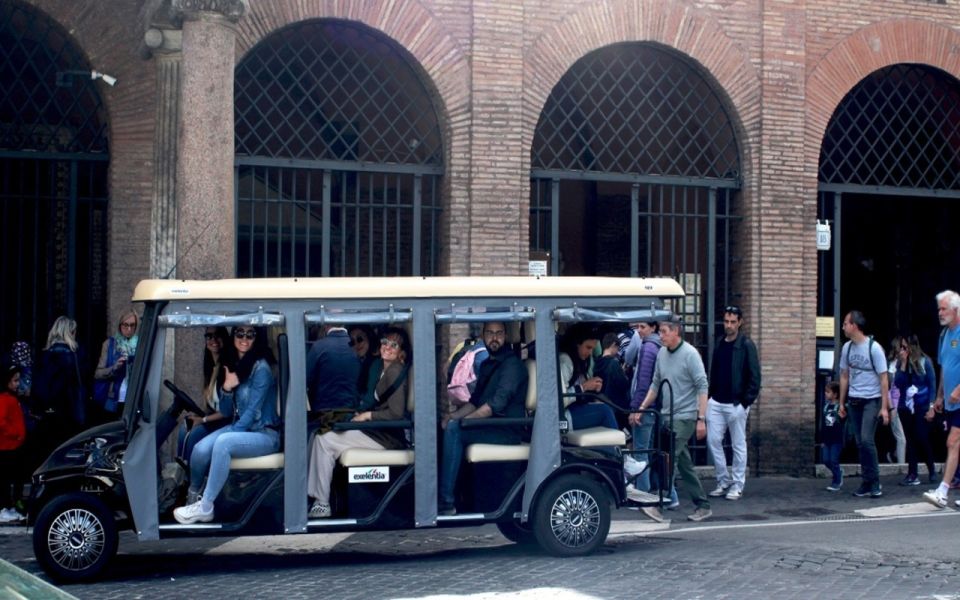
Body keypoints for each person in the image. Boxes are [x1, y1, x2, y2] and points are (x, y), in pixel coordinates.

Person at [174, 326, 279, 524]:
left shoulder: (262, 368)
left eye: (250, 334)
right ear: (233, 336)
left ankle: (205, 506)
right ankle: (192, 498)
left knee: (223, 442)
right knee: (199, 449)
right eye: (240, 334)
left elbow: (252, 413)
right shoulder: (234, 364)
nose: (244, 339)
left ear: (257, 338)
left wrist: (232, 430)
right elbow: (227, 410)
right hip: (242, 428)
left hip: (264, 433)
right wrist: (226, 388)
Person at [307, 327, 410, 518]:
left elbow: (396, 413)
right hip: (376, 432)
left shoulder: (394, 371)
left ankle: (321, 503)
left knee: (324, 440)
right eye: (385, 342)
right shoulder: (379, 367)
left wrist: (367, 416)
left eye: (394, 345)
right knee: (321, 436)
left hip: (387, 437)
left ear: (401, 352)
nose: (387, 347)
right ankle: (317, 499)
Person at [439, 321, 527, 515]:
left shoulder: (512, 365)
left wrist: (464, 422)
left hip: (506, 430)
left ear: (506, 335)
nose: (494, 338)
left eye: (499, 333)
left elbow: (493, 406)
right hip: (491, 425)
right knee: (444, 427)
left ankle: (445, 502)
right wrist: (452, 416)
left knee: (455, 430)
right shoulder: (489, 363)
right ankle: (455, 493)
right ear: (482, 336)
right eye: (490, 333)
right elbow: (475, 401)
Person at [633, 315, 712, 522]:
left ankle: (660, 503)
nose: (661, 336)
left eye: (664, 332)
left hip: (685, 417)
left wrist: (701, 418)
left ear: (676, 331)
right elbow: (655, 384)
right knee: (684, 463)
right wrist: (642, 408)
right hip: (668, 416)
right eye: (660, 332)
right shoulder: (661, 354)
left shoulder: (690, 354)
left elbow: (702, 386)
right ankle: (702, 505)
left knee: (669, 459)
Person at [706, 305, 761, 501]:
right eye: (726, 321)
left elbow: (755, 377)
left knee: (738, 445)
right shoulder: (720, 342)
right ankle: (723, 481)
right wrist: (710, 398)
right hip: (717, 402)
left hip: (736, 403)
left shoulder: (746, 345)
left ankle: (737, 484)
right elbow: (714, 371)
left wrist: (745, 403)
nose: (728, 325)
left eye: (732, 322)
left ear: (740, 322)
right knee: (713, 441)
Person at [837, 310, 890, 498]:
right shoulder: (847, 348)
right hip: (854, 400)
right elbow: (844, 375)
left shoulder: (874, 348)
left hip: (872, 399)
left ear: (855, 326)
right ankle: (866, 482)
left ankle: (875, 482)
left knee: (867, 440)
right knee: (860, 443)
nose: (843, 327)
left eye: (845, 323)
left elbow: (884, 378)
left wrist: (884, 407)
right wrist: (841, 403)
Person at [922, 290, 960, 509]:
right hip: (952, 402)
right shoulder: (944, 335)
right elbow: (945, 367)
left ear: (955, 310)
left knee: (952, 442)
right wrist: (939, 395)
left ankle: (942, 492)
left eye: (943, 308)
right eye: (939, 308)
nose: (940, 312)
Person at [32, 316, 89, 452]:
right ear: (70, 333)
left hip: (50, 410)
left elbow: (40, 385)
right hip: (70, 410)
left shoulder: (46, 355)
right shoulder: (74, 355)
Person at [179, 326, 233, 462]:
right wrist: (199, 416)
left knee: (195, 434)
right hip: (214, 418)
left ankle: (192, 477)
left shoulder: (228, 367)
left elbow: (228, 410)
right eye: (209, 336)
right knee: (184, 428)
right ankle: (183, 471)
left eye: (218, 335)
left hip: (227, 421)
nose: (213, 340)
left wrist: (202, 420)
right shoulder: (211, 367)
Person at [892, 335, 936, 486]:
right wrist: (903, 364)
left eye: (905, 347)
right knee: (910, 440)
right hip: (905, 406)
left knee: (921, 437)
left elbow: (932, 384)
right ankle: (912, 473)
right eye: (901, 347)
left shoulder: (925, 361)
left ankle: (931, 468)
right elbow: (898, 383)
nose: (903, 350)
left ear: (912, 346)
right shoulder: (900, 362)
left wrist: (931, 406)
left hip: (921, 405)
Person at [558, 324, 619, 432]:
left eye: (592, 348)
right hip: (562, 416)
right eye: (588, 347)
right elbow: (560, 400)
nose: (590, 352)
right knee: (605, 411)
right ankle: (616, 447)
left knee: (606, 406)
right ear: (577, 344)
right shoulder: (565, 361)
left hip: (571, 410)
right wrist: (584, 387)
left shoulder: (579, 361)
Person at [93, 309, 139, 418]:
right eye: (125, 325)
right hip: (114, 398)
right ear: (120, 325)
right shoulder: (110, 344)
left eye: (132, 325)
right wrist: (114, 367)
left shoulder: (140, 344)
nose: (129, 329)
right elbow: (98, 374)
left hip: (134, 399)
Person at [306, 324, 360, 411]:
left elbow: (305, 380)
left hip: (323, 412)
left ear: (325, 325)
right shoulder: (357, 346)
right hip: (351, 410)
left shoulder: (318, 346)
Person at [0, 363, 27, 523]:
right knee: (5, 480)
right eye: (15, 381)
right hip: (7, 446)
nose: (18, 384)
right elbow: (1, 422)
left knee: (12, 478)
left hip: (12, 445)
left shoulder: (11, 398)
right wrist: (15, 434)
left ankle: (9, 508)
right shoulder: (5, 399)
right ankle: (4, 508)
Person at [595, 333, 630, 417]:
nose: (618, 352)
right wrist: (623, 372)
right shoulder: (613, 363)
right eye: (618, 348)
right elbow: (624, 384)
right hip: (615, 406)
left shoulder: (597, 362)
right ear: (614, 345)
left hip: (602, 403)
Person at [349, 325, 380, 411]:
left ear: (369, 337)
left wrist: (354, 414)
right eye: (352, 342)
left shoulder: (376, 364)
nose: (356, 344)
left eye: (359, 339)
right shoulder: (362, 363)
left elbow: (370, 400)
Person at [821, 381, 844, 492]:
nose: (826, 394)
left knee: (834, 460)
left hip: (837, 439)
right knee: (826, 460)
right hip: (827, 439)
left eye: (828, 392)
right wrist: (822, 440)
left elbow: (844, 421)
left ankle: (837, 481)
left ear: (835, 394)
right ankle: (838, 471)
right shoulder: (825, 407)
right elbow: (823, 424)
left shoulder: (840, 407)